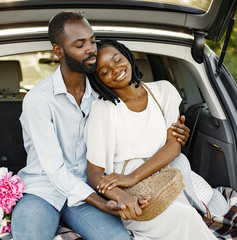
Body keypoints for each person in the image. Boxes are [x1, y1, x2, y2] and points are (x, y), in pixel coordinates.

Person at [11, 11, 190, 239]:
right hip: (44, 191)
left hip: (92, 188)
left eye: (92, 41)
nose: (91, 49)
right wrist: (107, 203)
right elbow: (55, 171)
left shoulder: (105, 91)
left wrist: (174, 135)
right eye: (80, 44)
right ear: (58, 51)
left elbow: (138, 123)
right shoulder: (38, 100)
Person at [85, 39, 217, 239]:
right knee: (187, 218)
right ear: (98, 81)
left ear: (126, 55)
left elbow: (173, 146)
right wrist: (123, 195)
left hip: (165, 178)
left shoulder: (163, 91)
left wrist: (134, 176)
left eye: (117, 59)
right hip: (130, 192)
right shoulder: (102, 109)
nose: (115, 69)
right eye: (104, 72)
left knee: (189, 219)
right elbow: (94, 174)